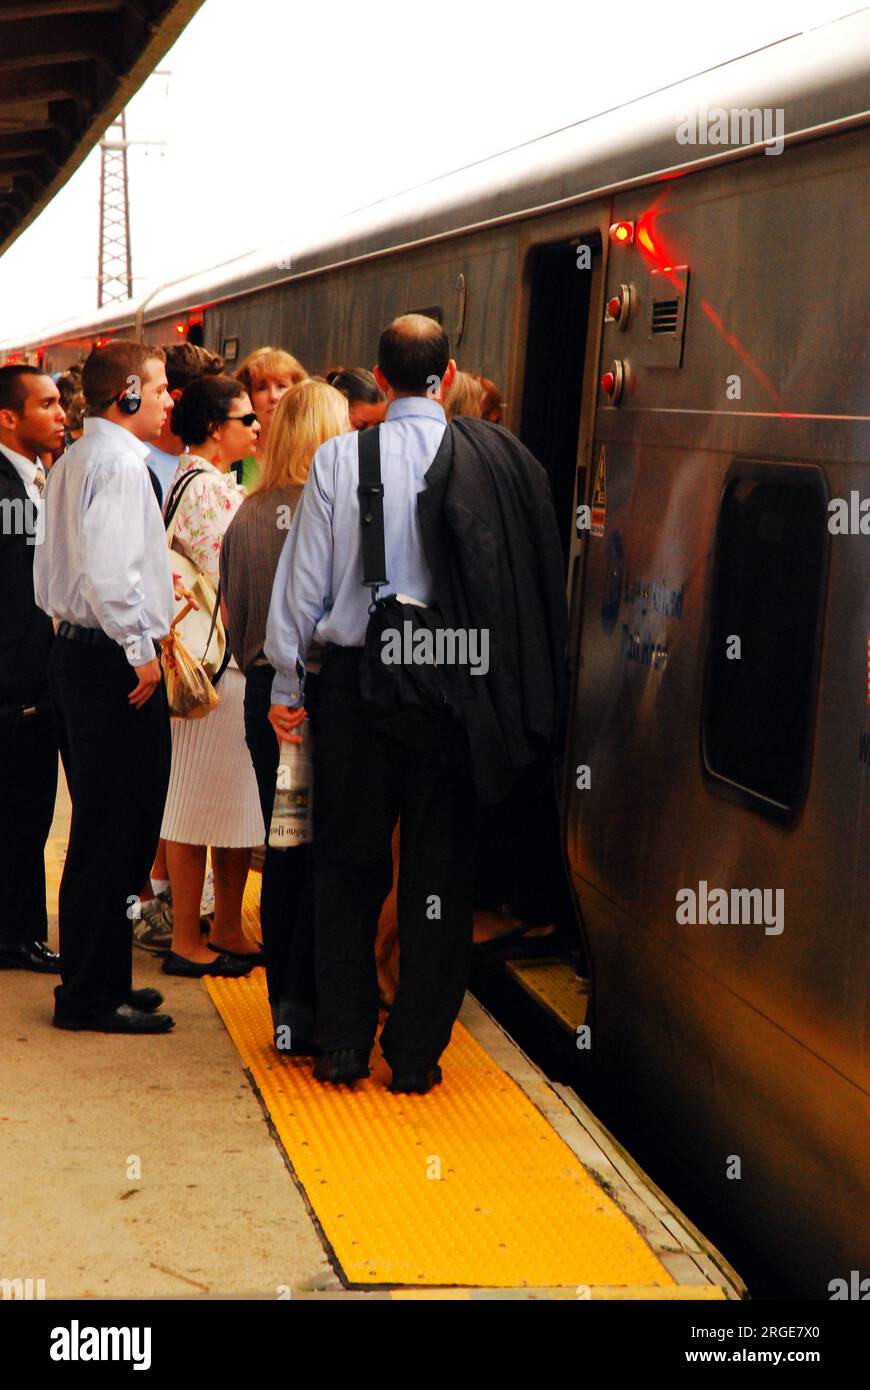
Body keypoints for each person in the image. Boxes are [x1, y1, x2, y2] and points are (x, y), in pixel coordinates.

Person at [33, 340, 177, 1034]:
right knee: (116, 827)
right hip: (111, 663)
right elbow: (112, 574)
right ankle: (91, 996)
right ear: (128, 395)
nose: (169, 400)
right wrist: (141, 651)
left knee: (105, 825)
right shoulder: (119, 465)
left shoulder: (76, 458)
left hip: (78, 654)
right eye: (160, 388)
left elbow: (57, 573)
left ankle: (101, 978)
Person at [220, 379, 350, 1044]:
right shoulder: (336, 511)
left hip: (263, 698)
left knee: (284, 843)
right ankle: (314, 998)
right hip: (313, 700)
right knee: (327, 850)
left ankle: (286, 1010)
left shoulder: (246, 515)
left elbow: (235, 617)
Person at [159, 375, 265, 979]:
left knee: (229, 803)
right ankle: (185, 938)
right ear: (213, 429)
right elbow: (234, 573)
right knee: (193, 802)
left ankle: (225, 925)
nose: (256, 425)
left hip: (223, 665)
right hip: (213, 671)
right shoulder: (204, 489)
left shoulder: (207, 482)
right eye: (245, 418)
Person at [135, 341, 225, 954]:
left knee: (173, 783)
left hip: (172, 644)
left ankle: (162, 894)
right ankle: (152, 898)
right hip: (167, 648)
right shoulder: (139, 466)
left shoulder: (180, 469)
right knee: (165, 786)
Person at [0, 366, 66, 976]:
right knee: (19, 811)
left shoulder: (35, 478)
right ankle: (16, 934)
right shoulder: (7, 490)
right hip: (15, 687)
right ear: (9, 417)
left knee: (28, 812)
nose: (61, 413)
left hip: (32, 684)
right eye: (46, 404)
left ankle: (18, 930)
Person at [145, 342, 225, 500]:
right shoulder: (136, 462)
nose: (222, 408)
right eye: (212, 398)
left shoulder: (212, 459)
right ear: (177, 399)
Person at [233, 348, 307, 491]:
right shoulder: (234, 458)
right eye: (262, 388)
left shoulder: (307, 455)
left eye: (281, 386)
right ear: (248, 396)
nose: (273, 396)